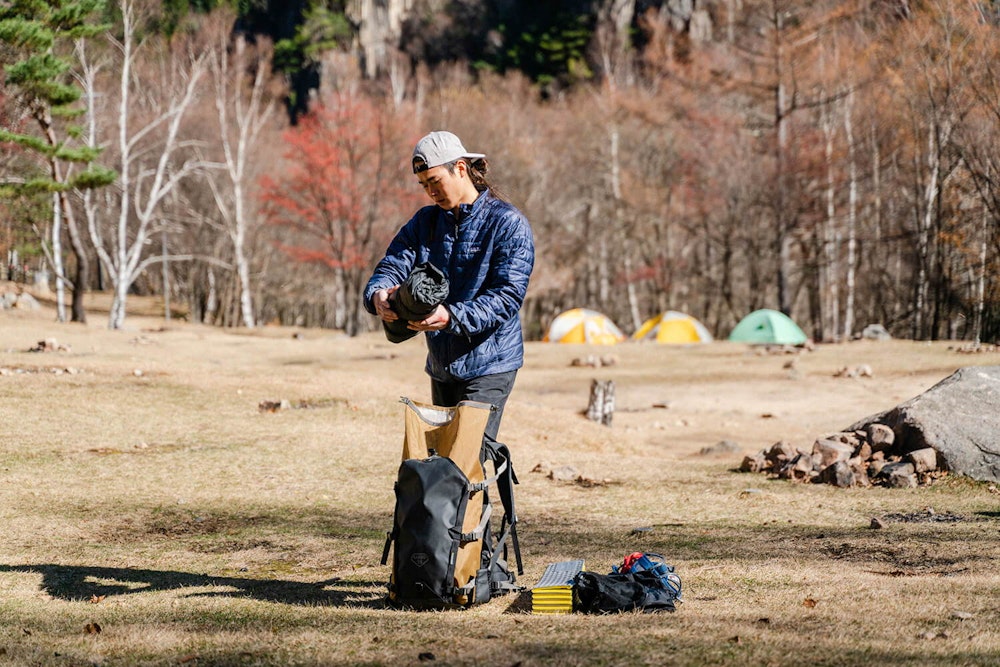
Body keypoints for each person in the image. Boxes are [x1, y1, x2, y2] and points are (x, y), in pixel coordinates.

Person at [363, 130, 535, 440]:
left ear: (460, 168)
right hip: (442, 365)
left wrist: (450, 317)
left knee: (465, 457)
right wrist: (379, 292)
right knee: (443, 459)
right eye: (424, 185)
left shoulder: (508, 223)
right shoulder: (425, 222)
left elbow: (506, 296)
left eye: (435, 181)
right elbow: (394, 263)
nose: (430, 192)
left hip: (491, 364)